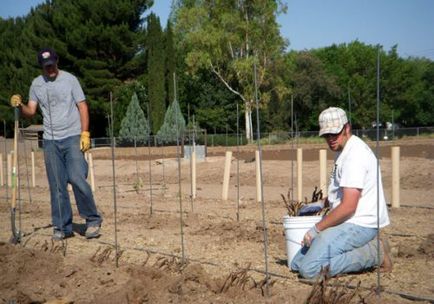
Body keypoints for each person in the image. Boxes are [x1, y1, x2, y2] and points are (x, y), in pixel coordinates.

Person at [10, 47, 102, 240]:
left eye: (52, 65)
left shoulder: (70, 80)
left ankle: (92, 220)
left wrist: (85, 133)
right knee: (57, 185)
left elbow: (82, 106)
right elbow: (31, 111)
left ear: (56, 61)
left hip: (72, 136)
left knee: (77, 177)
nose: (50, 69)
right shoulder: (36, 84)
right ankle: (62, 227)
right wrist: (20, 106)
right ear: (42, 67)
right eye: (46, 67)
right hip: (50, 141)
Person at [291, 107, 392, 279]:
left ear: (347, 128)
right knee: (296, 264)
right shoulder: (344, 150)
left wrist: (316, 229)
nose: (330, 139)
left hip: (359, 224)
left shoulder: (355, 157)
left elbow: (348, 207)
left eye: (334, 134)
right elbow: (342, 195)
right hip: (347, 221)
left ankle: (375, 252)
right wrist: (320, 204)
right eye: (326, 135)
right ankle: (339, 254)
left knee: (309, 270)